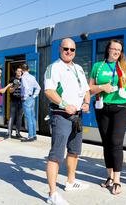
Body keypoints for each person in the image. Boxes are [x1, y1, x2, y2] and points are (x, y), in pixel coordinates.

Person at [44, 38, 90, 205]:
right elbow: (49, 91)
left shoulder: (78, 68)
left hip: (77, 116)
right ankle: (52, 194)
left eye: (72, 49)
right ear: (60, 49)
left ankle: (70, 182)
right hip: (61, 115)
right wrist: (64, 104)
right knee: (56, 155)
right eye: (66, 49)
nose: (69, 52)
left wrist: (86, 102)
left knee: (74, 151)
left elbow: (86, 89)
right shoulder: (54, 68)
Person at [89, 39, 126, 195]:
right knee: (106, 143)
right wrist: (102, 87)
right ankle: (109, 176)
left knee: (116, 142)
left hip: (120, 108)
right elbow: (89, 88)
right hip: (102, 108)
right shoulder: (97, 66)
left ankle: (117, 179)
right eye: (114, 49)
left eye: (119, 50)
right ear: (108, 50)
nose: (116, 52)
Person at [20, 63, 41, 142]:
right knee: (32, 117)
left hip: (26, 98)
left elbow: (25, 87)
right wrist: (34, 96)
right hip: (32, 98)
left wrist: (25, 97)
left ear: (22, 70)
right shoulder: (32, 77)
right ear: (28, 69)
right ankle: (34, 135)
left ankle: (30, 136)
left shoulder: (23, 77)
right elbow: (38, 87)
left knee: (28, 117)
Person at [7, 67, 23, 138]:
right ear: (16, 72)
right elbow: (10, 91)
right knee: (12, 117)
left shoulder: (24, 79)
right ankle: (9, 133)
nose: (19, 72)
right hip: (13, 101)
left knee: (19, 117)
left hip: (21, 101)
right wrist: (15, 87)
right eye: (18, 71)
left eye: (20, 71)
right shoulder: (12, 79)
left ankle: (18, 133)